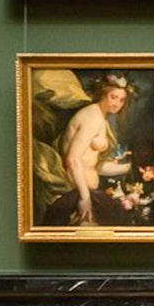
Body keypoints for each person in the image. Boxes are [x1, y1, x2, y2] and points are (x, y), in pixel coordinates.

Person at [40, 74, 136, 226]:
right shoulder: (92, 118)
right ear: (103, 95)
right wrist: (84, 198)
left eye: (121, 100)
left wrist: (130, 167)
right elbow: (72, 159)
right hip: (76, 194)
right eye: (113, 97)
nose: (117, 103)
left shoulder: (101, 119)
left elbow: (94, 166)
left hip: (89, 193)